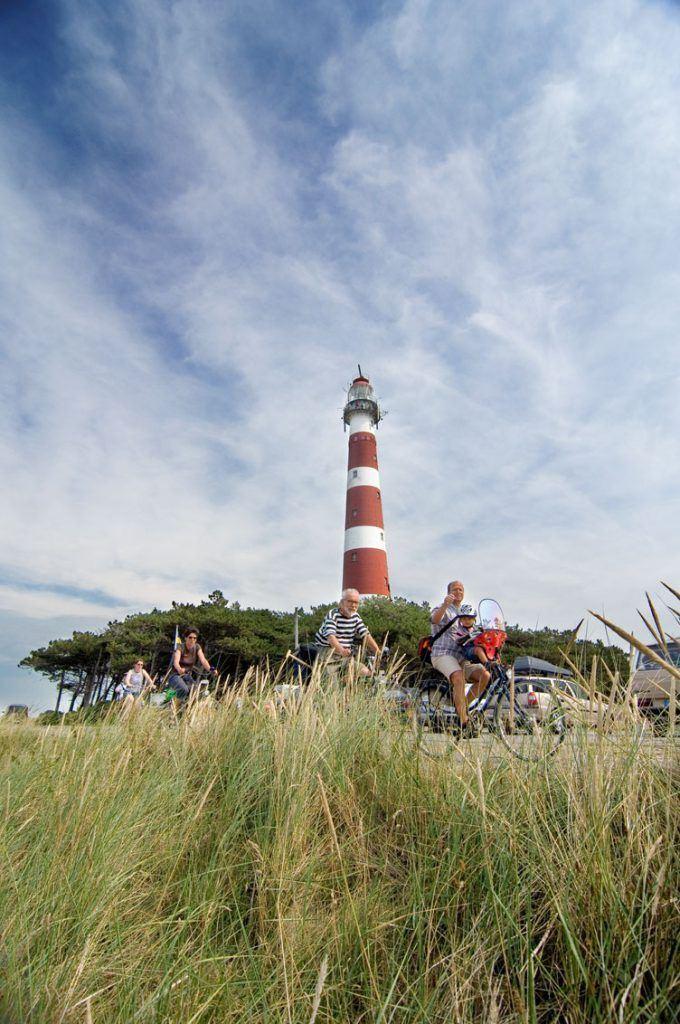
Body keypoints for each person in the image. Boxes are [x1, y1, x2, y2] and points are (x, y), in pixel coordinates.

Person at [430, 580, 478, 728]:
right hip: (442, 653)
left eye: (461, 590)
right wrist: (445, 605)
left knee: (485, 676)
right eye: (455, 589)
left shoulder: (464, 612)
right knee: (458, 676)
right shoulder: (443, 608)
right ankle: (464, 720)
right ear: (448, 592)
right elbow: (434, 619)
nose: (458, 592)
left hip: (460, 656)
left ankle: (460, 706)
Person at [313, 588, 382, 678]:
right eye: (350, 601)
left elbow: (365, 634)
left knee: (366, 673)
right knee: (332, 686)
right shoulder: (333, 614)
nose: (353, 605)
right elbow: (331, 637)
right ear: (342, 602)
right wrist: (341, 650)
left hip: (346, 655)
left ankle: (349, 688)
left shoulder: (356, 616)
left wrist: (378, 651)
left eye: (356, 602)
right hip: (328, 653)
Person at [449, 605, 491, 711]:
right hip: (463, 658)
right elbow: (458, 640)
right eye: (464, 618)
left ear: (474, 619)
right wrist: (468, 636)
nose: (467, 621)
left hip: (474, 660)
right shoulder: (458, 630)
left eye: (469, 618)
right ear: (460, 619)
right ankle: (462, 709)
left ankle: (464, 706)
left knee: (486, 676)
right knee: (478, 651)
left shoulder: (477, 629)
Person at [166, 628, 214, 700]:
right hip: (175, 676)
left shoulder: (197, 647)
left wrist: (211, 669)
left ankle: (188, 708)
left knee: (196, 691)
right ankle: (178, 708)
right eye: (190, 637)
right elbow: (176, 662)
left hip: (187, 676)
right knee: (184, 689)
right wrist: (179, 669)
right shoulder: (180, 647)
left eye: (195, 638)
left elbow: (203, 660)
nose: (192, 640)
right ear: (185, 638)